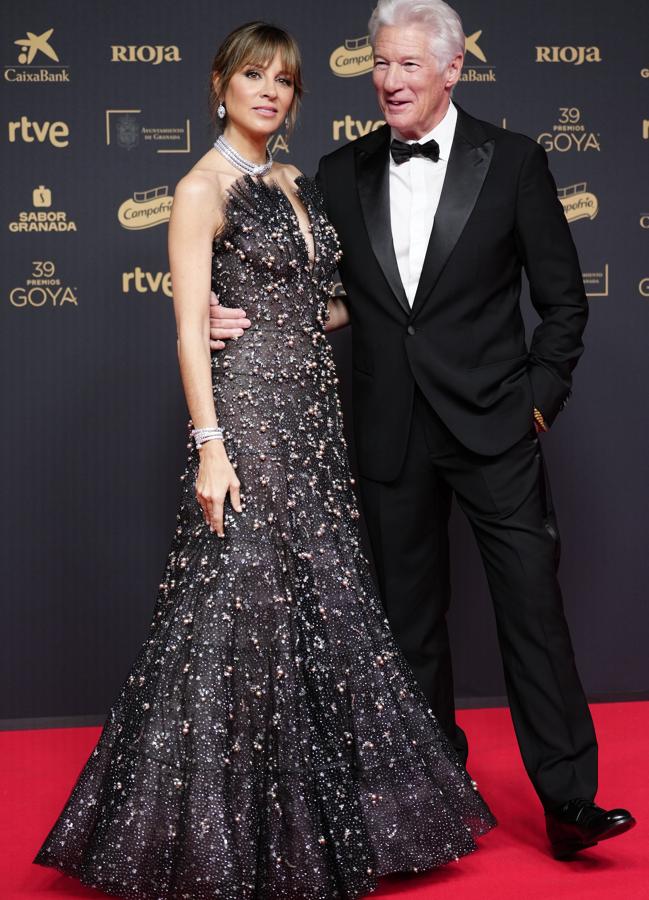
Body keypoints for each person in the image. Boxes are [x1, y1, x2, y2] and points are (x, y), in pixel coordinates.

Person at [33, 21, 495, 900]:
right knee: (233, 614)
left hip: (313, 419)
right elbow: (186, 330)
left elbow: (322, 305)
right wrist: (210, 445)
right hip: (246, 418)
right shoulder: (200, 187)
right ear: (220, 85)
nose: (270, 93)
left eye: (283, 80)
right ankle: (207, 835)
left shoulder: (293, 180)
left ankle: (325, 823)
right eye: (253, 76)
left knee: (319, 605)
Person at [209, 0, 635, 859]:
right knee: (409, 625)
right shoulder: (336, 171)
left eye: (408, 64)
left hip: (494, 431)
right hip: (389, 431)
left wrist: (534, 406)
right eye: (379, 63)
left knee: (531, 612)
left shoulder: (511, 161)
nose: (390, 80)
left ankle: (569, 801)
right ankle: (433, 803)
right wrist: (234, 315)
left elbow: (561, 306)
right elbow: (313, 292)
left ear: (451, 70)